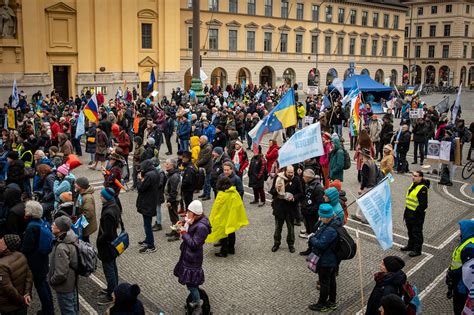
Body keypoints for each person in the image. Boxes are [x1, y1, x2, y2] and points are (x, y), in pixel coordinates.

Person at [173, 200, 211, 315]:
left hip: (193, 258)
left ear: (195, 213)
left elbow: (194, 244)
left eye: (189, 212)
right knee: (192, 282)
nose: (186, 214)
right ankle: (196, 298)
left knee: (191, 284)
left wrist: (184, 233)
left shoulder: (202, 227)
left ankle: (197, 302)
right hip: (188, 256)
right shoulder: (195, 219)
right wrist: (183, 222)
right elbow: (190, 223)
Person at [21, 201, 54, 315]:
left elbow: (26, 247)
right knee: (44, 284)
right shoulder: (41, 221)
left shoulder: (31, 227)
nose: (24, 210)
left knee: (40, 286)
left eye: (26, 209)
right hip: (42, 259)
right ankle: (49, 308)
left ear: (31, 212)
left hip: (35, 262)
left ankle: (47, 310)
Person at [307, 204, 342, 312]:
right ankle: (332, 302)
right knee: (331, 281)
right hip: (331, 259)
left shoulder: (330, 229)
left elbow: (321, 244)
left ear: (328, 217)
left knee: (324, 283)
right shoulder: (333, 222)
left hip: (326, 261)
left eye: (321, 217)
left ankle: (321, 304)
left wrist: (312, 238)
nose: (320, 219)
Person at [207, 176, 249, 257]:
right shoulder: (234, 192)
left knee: (223, 234)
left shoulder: (222, 195)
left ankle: (224, 251)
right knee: (231, 232)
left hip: (222, 218)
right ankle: (231, 249)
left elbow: (216, 208)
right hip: (231, 217)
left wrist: (213, 218)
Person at [270, 165, 304, 253]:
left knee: (291, 228)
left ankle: (291, 244)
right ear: (285, 171)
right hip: (279, 207)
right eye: (289, 172)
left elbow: (301, 193)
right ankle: (276, 243)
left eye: (292, 172)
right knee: (278, 228)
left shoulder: (296, 179)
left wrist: (293, 198)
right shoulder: (278, 177)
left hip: (291, 208)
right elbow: (272, 191)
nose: (290, 174)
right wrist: (277, 189)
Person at [49, 216, 79, 315]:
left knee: (68, 311)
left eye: (54, 224)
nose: (52, 225)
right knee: (73, 308)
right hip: (72, 281)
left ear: (60, 229)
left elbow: (61, 273)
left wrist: (52, 281)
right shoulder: (71, 237)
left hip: (65, 286)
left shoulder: (62, 247)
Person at [97, 187, 121, 305]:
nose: (100, 197)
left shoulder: (108, 212)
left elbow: (107, 233)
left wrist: (99, 241)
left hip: (107, 246)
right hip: (112, 244)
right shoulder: (113, 205)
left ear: (105, 197)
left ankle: (111, 295)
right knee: (113, 267)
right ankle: (113, 289)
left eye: (101, 195)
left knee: (109, 270)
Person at [0, 234, 33, 315]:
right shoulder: (21, 255)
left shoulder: (1, 265)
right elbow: (29, 276)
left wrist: (21, 300)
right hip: (21, 304)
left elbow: (8, 288)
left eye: (1, 241)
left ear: (5, 247)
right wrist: (27, 294)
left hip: (8, 306)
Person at [446, 220, 474, 315]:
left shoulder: (469, 247)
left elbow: (467, 270)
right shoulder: (466, 241)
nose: (459, 231)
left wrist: (451, 274)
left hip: (462, 287)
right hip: (458, 284)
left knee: (459, 309)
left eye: (461, 229)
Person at [401, 170, 430, 257]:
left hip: (416, 215)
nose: (413, 177)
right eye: (413, 175)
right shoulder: (413, 184)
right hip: (409, 212)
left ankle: (417, 250)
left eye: (416, 176)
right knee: (410, 231)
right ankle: (410, 246)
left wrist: (415, 214)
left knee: (416, 232)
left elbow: (423, 205)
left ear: (421, 177)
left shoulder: (423, 188)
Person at [136, 160, 160, 253]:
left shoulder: (148, 176)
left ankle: (151, 245)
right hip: (151, 201)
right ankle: (148, 240)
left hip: (147, 203)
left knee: (147, 225)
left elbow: (141, 188)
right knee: (147, 224)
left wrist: (140, 179)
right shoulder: (155, 173)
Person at [299, 169, 324, 253]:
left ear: (308, 177)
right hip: (307, 214)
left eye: (304, 176)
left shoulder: (318, 188)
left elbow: (319, 204)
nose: (303, 178)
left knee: (313, 233)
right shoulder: (309, 184)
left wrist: (309, 210)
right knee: (309, 231)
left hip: (312, 216)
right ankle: (310, 249)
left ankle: (313, 250)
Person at [352, 148, 378, 224]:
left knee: (365, 203)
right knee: (362, 201)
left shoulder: (365, 165)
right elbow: (376, 174)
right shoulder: (372, 162)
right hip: (372, 184)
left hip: (368, 186)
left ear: (363, 155)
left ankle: (364, 218)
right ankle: (358, 215)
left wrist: (361, 188)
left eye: (360, 154)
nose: (359, 156)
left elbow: (365, 178)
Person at [74, 177, 97, 243]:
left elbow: (88, 214)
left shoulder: (87, 198)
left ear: (81, 187)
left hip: (86, 226)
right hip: (83, 224)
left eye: (76, 184)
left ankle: (89, 252)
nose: (74, 185)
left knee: (85, 241)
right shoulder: (81, 193)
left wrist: (77, 219)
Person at [164, 159, 182, 242]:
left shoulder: (174, 176)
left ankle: (177, 234)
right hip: (172, 198)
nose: (165, 165)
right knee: (173, 217)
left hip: (173, 200)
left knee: (175, 217)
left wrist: (170, 201)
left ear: (172, 166)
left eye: (167, 164)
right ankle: (174, 231)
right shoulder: (171, 174)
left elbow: (174, 191)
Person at [196, 135, 213, 201]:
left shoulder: (208, 148)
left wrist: (197, 163)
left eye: (200, 139)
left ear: (204, 140)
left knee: (207, 182)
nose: (199, 140)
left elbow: (205, 159)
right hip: (203, 167)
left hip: (207, 167)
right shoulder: (203, 146)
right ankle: (204, 193)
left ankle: (208, 195)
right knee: (204, 181)